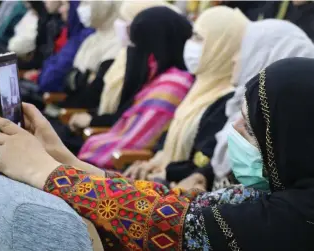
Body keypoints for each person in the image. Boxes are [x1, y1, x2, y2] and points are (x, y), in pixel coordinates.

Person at [0, 58, 314, 250]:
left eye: (251, 126)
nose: (236, 136)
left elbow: (172, 223)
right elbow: (188, 206)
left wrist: (47, 173)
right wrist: (64, 159)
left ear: (303, 138)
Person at [175, 18, 314, 191]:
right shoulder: (237, 106)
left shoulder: (276, 128)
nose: (234, 58)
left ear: (266, 58)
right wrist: (202, 175)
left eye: (243, 50)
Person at [124, 6, 248, 186]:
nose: (190, 44)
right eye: (192, 36)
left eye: (199, 38)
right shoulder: (200, 88)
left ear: (221, 46)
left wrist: (165, 173)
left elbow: (202, 162)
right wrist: (154, 163)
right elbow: (164, 142)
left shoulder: (228, 99)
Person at [56, 6, 194, 160]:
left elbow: (131, 142)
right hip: (103, 139)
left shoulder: (171, 85)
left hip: (116, 159)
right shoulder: (157, 73)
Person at [54, 0, 182, 128]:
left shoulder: (147, 64)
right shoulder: (124, 54)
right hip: (99, 125)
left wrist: (93, 120)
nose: (119, 25)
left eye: (126, 19)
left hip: (107, 131)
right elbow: (66, 80)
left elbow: (125, 113)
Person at [35, 0, 94, 94]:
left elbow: (51, 78)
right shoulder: (73, 33)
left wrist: (40, 78)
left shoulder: (83, 37)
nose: (60, 10)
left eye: (64, 5)